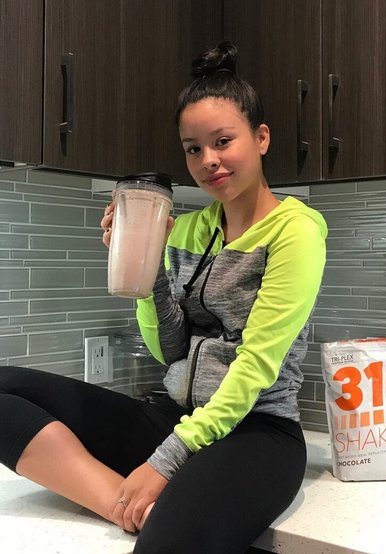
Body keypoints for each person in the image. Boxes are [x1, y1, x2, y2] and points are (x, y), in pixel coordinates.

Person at [0, 41, 327, 553]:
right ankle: (119, 503)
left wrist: (163, 463)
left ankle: (147, 507)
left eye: (223, 141)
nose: (208, 160)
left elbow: (257, 366)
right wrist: (145, 268)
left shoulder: (297, 231)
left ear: (261, 138)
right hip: (173, 416)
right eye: (193, 149)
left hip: (256, 432)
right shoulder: (188, 230)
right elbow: (168, 351)